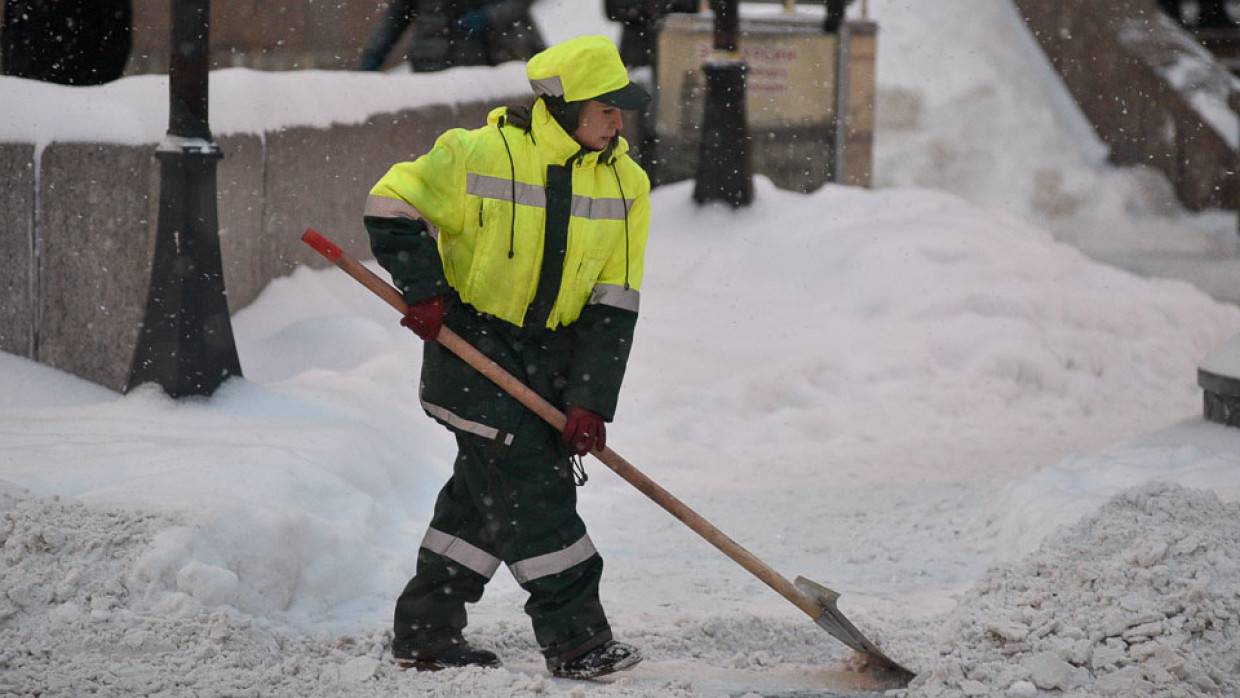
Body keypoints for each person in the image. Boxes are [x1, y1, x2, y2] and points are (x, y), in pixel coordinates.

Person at [364, 35, 652, 679]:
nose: (618, 121)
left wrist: (588, 400)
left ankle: (425, 633)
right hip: (473, 350)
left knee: (480, 503)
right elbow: (391, 203)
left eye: (620, 109)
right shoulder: (478, 153)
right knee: (535, 493)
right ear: (566, 107)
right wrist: (427, 292)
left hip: (551, 362)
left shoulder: (626, 183)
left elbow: (613, 303)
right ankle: (577, 640)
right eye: (607, 108)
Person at [359, 0, 545, 72]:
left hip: (479, 64)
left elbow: (518, 4)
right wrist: (373, 55)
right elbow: (396, 16)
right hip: (429, 66)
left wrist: (489, 17)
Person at [1, 0, 131, 84]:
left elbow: (117, 41)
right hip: (28, 86)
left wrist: (96, 87)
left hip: (81, 90)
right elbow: (11, 31)